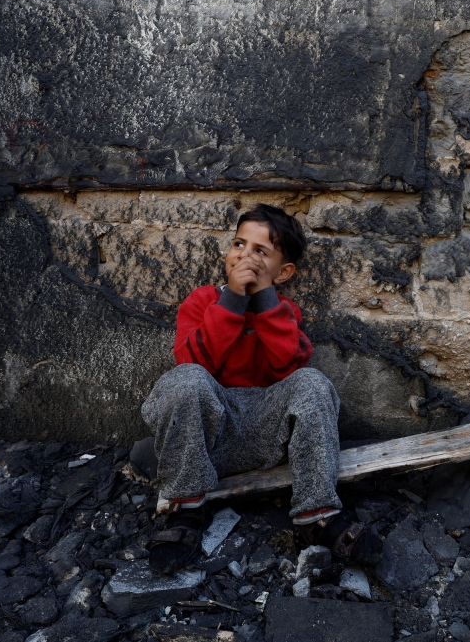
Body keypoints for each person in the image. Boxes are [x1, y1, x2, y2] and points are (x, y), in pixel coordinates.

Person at [140, 203, 382, 575]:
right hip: (208, 439)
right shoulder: (202, 301)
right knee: (184, 380)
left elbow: (289, 366)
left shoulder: (284, 312)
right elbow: (193, 364)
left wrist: (265, 300)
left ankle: (317, 514)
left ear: (282, 273)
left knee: (313, 382)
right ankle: (186, 507)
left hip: (268, 436)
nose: (245, 257)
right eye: (239, 244)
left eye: (260, 251)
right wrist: (232, 302)